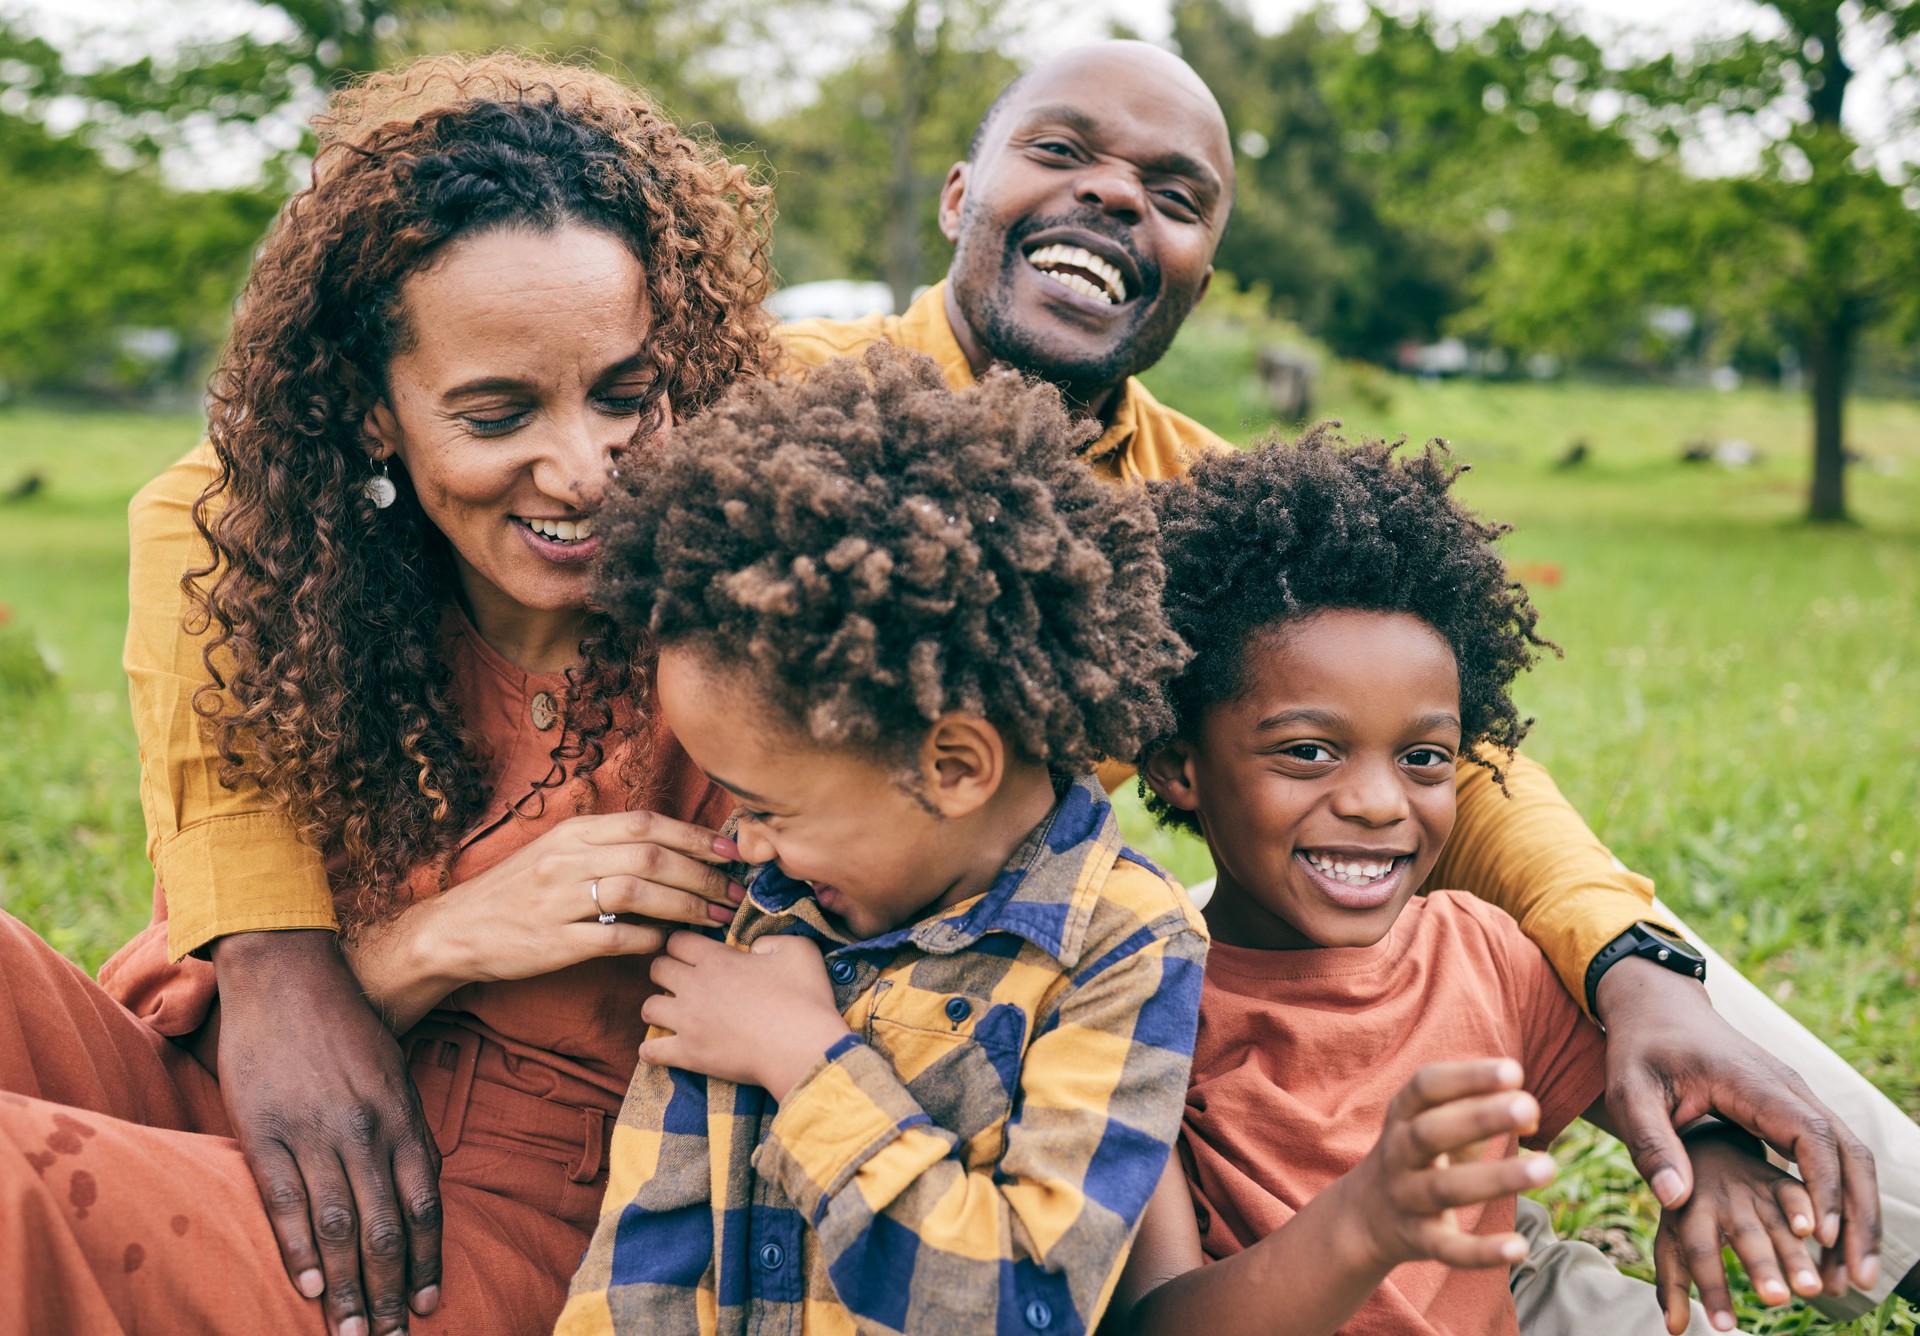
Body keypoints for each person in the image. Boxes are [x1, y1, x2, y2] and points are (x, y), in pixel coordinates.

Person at [777, 39, 1914, 1319]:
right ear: (957, 192)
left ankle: (1866, 1209)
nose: (1112, 196)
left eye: (1176, 193)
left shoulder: (1194, 502)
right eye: (1061, 150)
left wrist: (1638, 969)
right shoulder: (794, 404)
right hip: (872, 953)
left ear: (1202, 269)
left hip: (1131, 907)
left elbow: (1449, 769)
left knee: (1550, 939)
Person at [1, 53, 776, 1334]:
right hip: (218, 1095)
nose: (582, 468)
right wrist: (427, 945)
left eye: (627, 394)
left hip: (472, 1229)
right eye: (495, 413)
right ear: (374, 415)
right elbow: (200, 500)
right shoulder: (318, 605)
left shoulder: (745, 643)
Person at [555, 348, 1207, 1333]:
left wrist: (806, 1061)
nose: (747, 846)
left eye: (770, 809)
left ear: (951, 767)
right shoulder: (767, 922)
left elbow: (1019, 1303)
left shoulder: (1122, 948)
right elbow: (643, 1259)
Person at [1105, 434, 1814, 1336]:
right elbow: (1156, 1323)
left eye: (1423, 758)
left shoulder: (1477, 949)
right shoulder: (1142, 1001)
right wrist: (1362, 1224)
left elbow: (1651, 1094)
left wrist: (1706, 1151)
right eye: (1308, 751)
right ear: (1177, 766)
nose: (1375, 803)